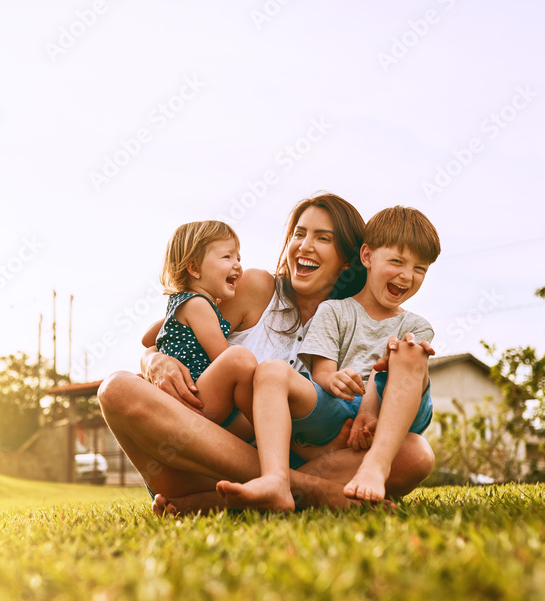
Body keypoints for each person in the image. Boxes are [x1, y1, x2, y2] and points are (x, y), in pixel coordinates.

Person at [97, 194, 436, 514]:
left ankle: (229, 498)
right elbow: (170, 329)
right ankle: (307, 489)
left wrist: (367, 420)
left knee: (415, 454)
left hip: (303, 461)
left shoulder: (357, 322)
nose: (304, 246)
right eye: (299, 233)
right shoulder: (256, 288)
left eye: (322, 238)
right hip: (197, 459)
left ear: (348, 260)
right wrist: (156, 361)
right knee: (116, 388)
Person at [216, 206, 440, 511]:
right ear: (367, 257)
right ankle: (275, 480)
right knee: (271, 371)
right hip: (339, 409)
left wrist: (371, 410)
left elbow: (394, 376)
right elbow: (321, 372)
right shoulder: (333, 311)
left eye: (420, 269)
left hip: (393, 412)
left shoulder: (416, 326)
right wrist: (332, 379)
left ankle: (375, 466)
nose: (406, 275)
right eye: (397, 262)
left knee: (408, 353)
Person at [154, 220, 256, 438]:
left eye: (238, 257)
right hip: (198, 399)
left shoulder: (180, 303)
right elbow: (223, 358)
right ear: (194, 268)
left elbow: (148, 339)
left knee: (257, 428)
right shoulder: (199, 305)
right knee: (239, 358)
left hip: (194, 401)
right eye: (227, 257)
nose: (237, 264)